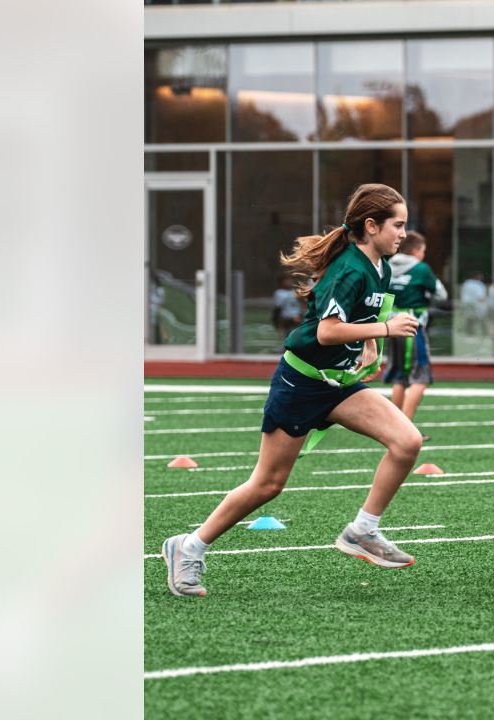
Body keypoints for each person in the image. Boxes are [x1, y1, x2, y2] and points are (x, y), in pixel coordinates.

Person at [160, 183, 423, 597]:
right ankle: (188, 547)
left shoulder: (380, 265)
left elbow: (371, 310)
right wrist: (386, 330)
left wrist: (371, 345)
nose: (403, 233)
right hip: (300, 384)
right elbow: (327, 330)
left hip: (339, 385)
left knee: (407, 441)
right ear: (371, 226)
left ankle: (362, 530)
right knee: (268, 484)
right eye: (398, 225)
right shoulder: (349, 268)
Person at [383, 231, 448, 428]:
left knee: (399, 376)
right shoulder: (421, 269)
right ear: (415, 250)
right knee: (421, 376)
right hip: (412, 326)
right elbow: (441, 294)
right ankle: (405, 428)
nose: (424, 254)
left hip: (391, 326)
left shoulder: (386, 267)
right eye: (423, 250)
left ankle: (393, 426)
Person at [271, 275, 305, 340]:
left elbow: (301, 304)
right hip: (287, 319)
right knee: (289, 338)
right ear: (281, 282)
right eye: (286, 281)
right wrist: (276, 321)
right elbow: (277, 308)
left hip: (298, 317)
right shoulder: (279, 293)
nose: (289, 282)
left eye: (290, 280)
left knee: (298, 337)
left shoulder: (295, 291)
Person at [460, 272, 488, 337]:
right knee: (481, 319)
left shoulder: (467, 282)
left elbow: (462, 293)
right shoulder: (479, 284)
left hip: (467, 303)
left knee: (469, 319)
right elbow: (481, 297)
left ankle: (469, 334)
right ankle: (484, 333)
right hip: (476, 304)